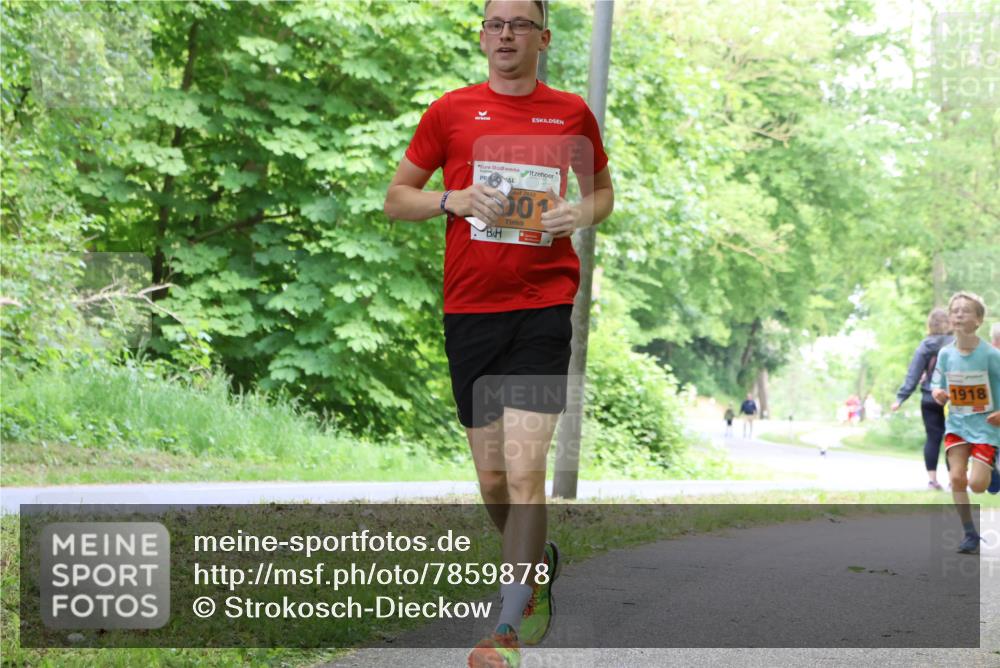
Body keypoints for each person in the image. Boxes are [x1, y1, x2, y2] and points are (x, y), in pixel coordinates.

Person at [383, 2, 614, 665]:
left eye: (519, 23)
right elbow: (397, 197)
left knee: (523, 473)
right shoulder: (450, 112)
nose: (506, 33)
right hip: (471, 310)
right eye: (495, 23)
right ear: (483, 37)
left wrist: (579, 212)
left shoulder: (571, 113)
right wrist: (448, 200)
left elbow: (603, 192)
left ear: (543, 37)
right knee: (491, 479)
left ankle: (507, 627)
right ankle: (536, 560)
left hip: (543, 307)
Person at [930, 292, 1000, 554]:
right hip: (957, 424)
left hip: (986, 426)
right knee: (957, 478)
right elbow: (937, 383)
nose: (959, 314)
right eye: (955, 310)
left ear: (979, 320)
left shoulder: (991, 355)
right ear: (950, 318)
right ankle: (970, 533)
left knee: (977, 485)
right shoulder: (946, 353)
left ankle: (992, 471)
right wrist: (938, 392)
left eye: (966, 311)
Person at [890, 307, 953, 490]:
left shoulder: (925, 345)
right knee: (953, 439)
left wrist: (901, 398)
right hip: (953, 399)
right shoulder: (956, 344)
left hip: (929, 398)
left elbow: (913, 374)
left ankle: (932, 481)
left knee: (933, 438)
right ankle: (953, 480)